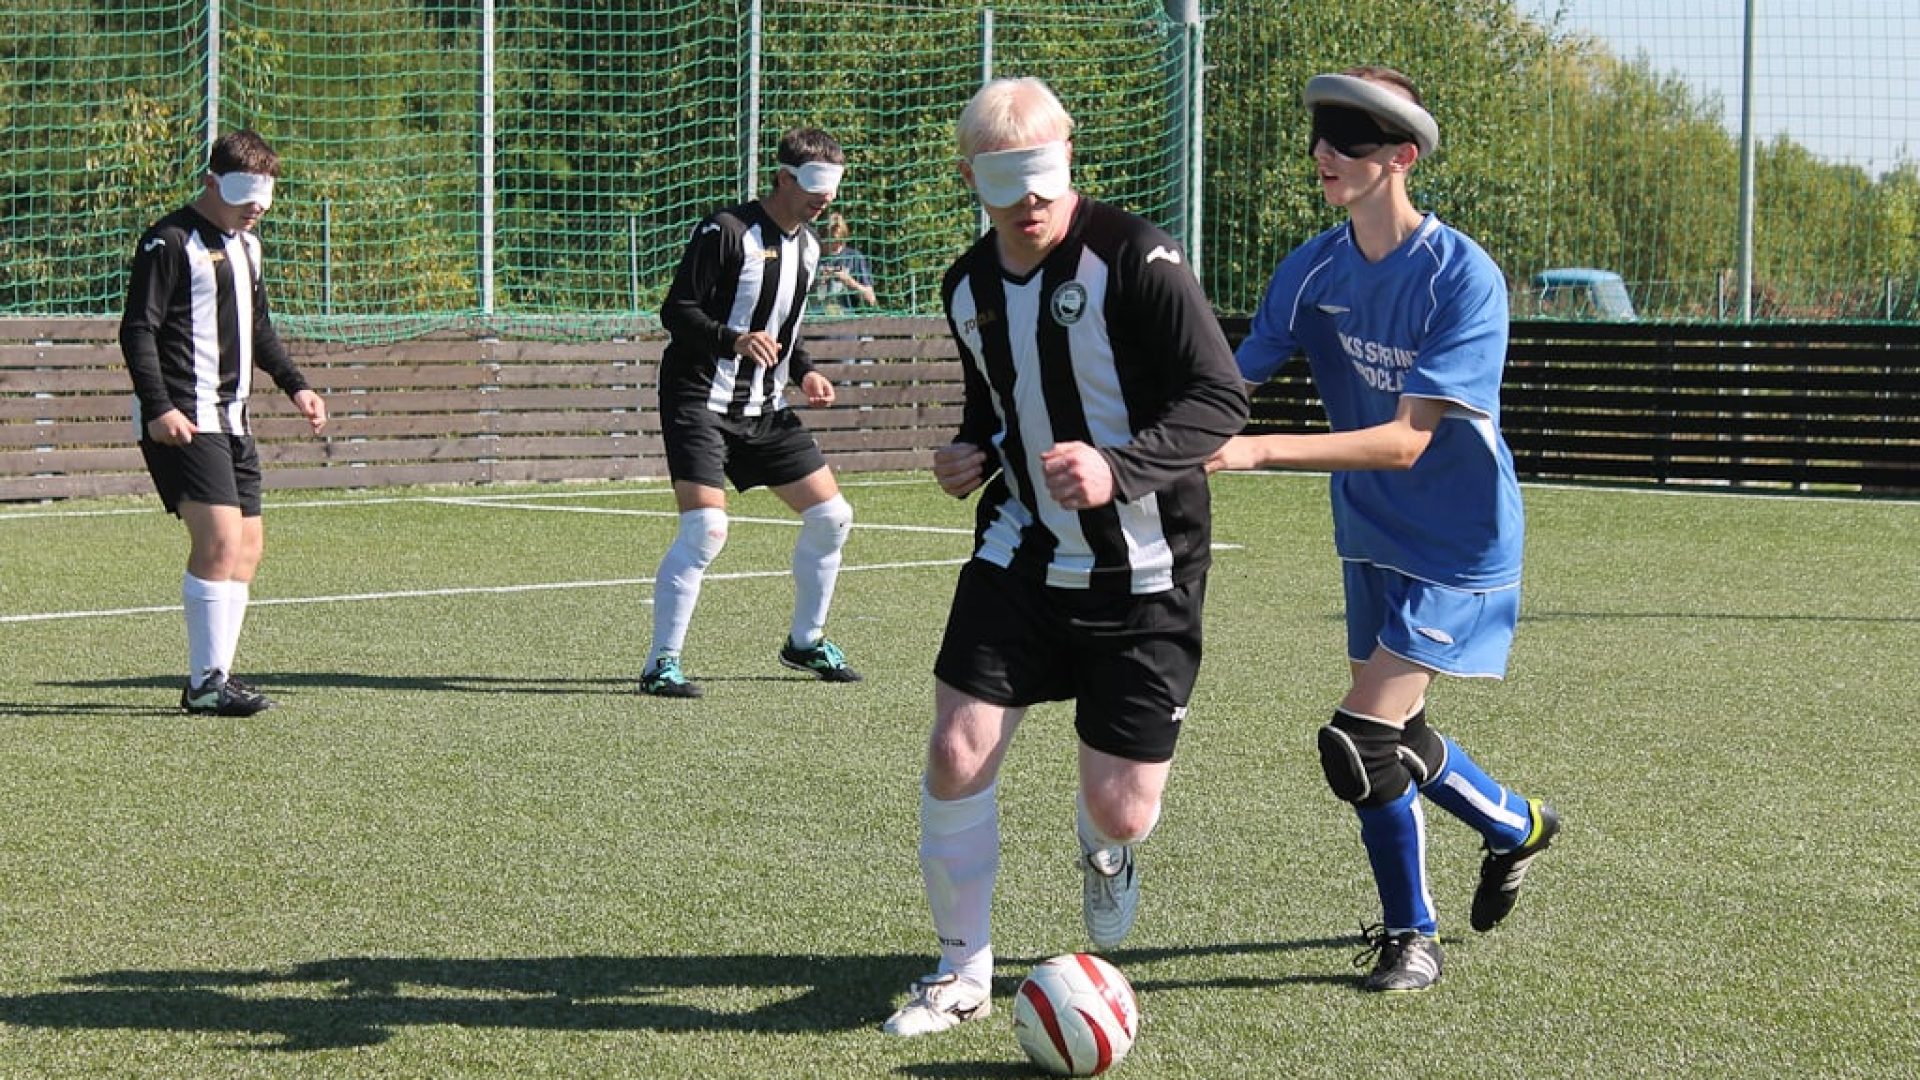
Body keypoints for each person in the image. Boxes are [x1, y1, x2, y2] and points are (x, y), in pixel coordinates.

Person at [882, 77, 1250, 1037]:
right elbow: (994, 409)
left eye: (1044, 178)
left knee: (1121, 808)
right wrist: (965, 456)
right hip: (1020, 551)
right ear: (969, 178)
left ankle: (1107, 851)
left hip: (1147, 567)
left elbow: (1220, 399)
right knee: (957, 745)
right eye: (1007, 185)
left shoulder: (1142, 259)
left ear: (1071, 156)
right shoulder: (966, 286)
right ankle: (961, 969)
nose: (1031, 203)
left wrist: (1121, 466)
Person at [1209, 66, 1561, 993]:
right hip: (1368, 535)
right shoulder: (1313, 267)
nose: (1327, 154)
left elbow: (1409, 441)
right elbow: (1227, 385)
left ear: (1401, 156)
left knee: (1360, 739)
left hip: (1458, 544)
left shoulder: (1463, 277)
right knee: (1397, 737)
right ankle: (1515, 824)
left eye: (1352, 139)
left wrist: (1251, 454)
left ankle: (1414, 937)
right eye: (1321, 136)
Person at [641, 127, 862, 698]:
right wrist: (732, 339)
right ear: (784, 178)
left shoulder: (810, 248)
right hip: (700, 401)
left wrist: (805, 368)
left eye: (833, 188)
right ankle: (661, 663)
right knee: (707, 530)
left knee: (833, 517)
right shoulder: (726, 230)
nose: (825, 199)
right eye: (814, 186)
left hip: (764, 407)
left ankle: (805, 642)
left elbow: (786, 328)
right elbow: (677, 310)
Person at [119, 129, 329, 717]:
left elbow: (259, 329)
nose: (256, 210)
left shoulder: (249, 247)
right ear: (212, 183)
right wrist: (159, 406)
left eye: (263, 200)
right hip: (186, 416)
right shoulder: (168, 241)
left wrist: (298, 386)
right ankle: (205, 682)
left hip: (234, 418)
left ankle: (217, 677)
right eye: (245, 198)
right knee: (218, 541)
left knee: (248, 550)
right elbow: (138, 329)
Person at [812, 212, 877, 316]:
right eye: (830, 241)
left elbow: (871, 299)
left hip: (846, 325)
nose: (836, 246)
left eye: (839, 242)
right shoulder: (812, 257)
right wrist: (818, 282)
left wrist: (849, 281)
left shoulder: (854, 258)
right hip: (813, 324)